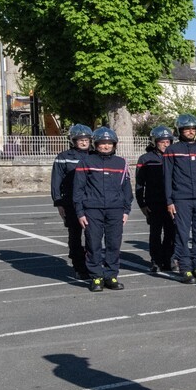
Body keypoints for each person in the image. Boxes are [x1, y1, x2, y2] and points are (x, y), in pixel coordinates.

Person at [73, 127, 133, 292]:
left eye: (109, 143)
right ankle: (96, 277)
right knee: (93, 244)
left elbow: (127, 189)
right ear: (96, 144)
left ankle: (111, 275)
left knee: (114, 244)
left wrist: (126, 210)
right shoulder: (86, 162)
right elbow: (78, 190)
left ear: (114, 145)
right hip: (92, 210)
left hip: (115, 210)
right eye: (102, 143)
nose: (106, 146)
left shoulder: (121, 163)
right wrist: (80, 212)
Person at [163, 113, 196, 284]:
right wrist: (169, 201)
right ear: (180, 131)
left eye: (193, 129)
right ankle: (185, 268)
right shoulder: (172, 150)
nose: (190, 132)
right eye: (187, 129)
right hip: (181, 198)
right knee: (181, 233)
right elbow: (167, 177)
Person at [51, 124, 93, 279]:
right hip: (70, 202)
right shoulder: (63, 157)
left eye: (86, 139)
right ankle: (79, 266)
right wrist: (59, 203)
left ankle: (91, 264)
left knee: (92, 235)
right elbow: (56, 182)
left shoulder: (95, 156)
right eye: (80, 140)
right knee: (75, 235)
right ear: (73, 141)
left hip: (91, 202)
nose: (83, 142)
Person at [135, 126, 176, 272]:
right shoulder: (145, 159)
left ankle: (169, 259)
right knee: (155, 233)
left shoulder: (174, 156)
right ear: (154, 142)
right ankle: (156, 260)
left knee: (171, 232)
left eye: (168, 141)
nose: (165, 144)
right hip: (154, 202)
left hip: (171, 201)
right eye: (162, 141)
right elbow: (140, 184)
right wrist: (142, 204)